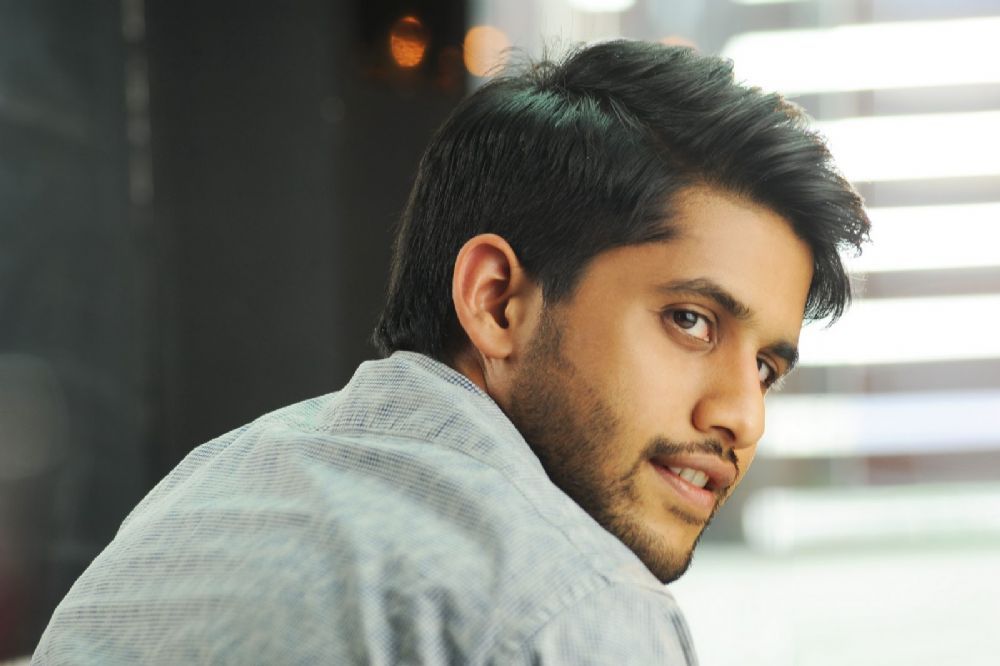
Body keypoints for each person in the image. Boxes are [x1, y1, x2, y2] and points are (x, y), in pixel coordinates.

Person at [33, 40, 869, 664]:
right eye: (690, 320)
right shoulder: (570, 605)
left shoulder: (208, 492)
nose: (740, 415)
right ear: (497, 301)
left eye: (765, 368)